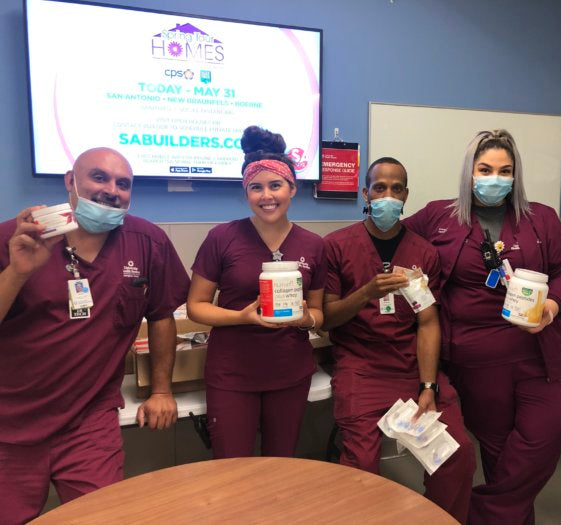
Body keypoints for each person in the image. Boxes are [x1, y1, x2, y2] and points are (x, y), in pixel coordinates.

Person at [0, 147, 190, 524]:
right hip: (10, 422)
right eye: (99, 177)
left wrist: (162, 390)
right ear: (70, 181)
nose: (112, 190)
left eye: (124, 183)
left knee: (102, 516)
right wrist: (18, 272)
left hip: (89, 421)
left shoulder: (147, 242)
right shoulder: (16, 238)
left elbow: (162, 315)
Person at [403, 130, 561, 525]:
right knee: (500, 456)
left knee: (542, 441)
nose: (494, 178)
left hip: (541, 354)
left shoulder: (542, 219)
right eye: (485, 169)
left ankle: (476, 515)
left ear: (516, 176)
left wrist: (551, 307)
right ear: (469, 173)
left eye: (505, 170)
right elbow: (390, 239)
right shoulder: (438, 216)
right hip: (478, 363)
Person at [322, 157, 476, 524]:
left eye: (396, 188)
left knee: (457, 457)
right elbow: (327, 319)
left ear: (406, 195)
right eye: (379, 188)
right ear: (366, 193)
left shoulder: (423, 253)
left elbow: (427, 322)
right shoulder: (336, 246)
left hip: (412, 367)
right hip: (361, 369)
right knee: (361, 466)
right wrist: (366, 292)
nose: (387, 196)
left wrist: (427, 385)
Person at [187, 126, 326, 459]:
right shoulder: (222, 238)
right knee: (232, 468)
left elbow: (321, 314)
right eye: (256, 188)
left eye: (276, 185)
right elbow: (196, 306)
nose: (267, 196)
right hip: (232, 373)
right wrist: (240, 317)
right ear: (245, 191)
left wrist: (306, 318)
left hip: (289, 373)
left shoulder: (314, 245)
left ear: (293, 189)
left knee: (281, 463)